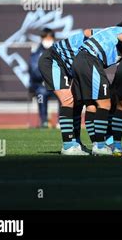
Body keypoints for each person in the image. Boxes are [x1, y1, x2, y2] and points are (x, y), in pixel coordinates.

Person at [71, 21, 122, 155]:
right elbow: (120, 35)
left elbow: (87, 31)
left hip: (81, 61)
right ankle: (99, 146)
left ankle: (99, 144)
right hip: (89, 59)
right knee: (105, 103)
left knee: (92, 104)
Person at [38, 27, 103, 155]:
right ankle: (68, 145)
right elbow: (87, 31)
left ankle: (76, 142)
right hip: (53, 61)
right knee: (68, 100)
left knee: (78, 101)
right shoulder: (106, 34)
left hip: (69, 67)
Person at [29, 28, 56, 129]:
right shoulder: (37, 52)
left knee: (64, 95)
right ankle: (44, 121)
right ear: (42, 38)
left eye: (50, 38)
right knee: (41, 94)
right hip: (42, 85)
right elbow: (34, 70)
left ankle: (61, 121)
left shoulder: (58, 50)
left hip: (56, 84)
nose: (48, 40)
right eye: (46, 38)